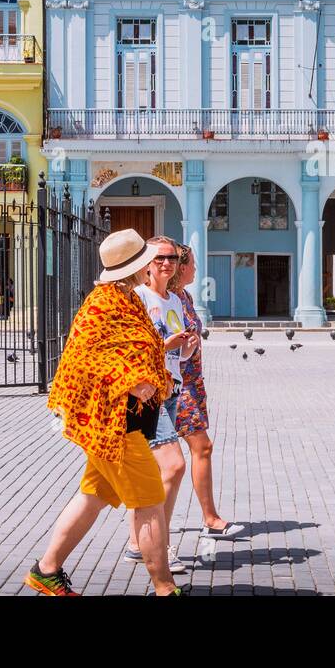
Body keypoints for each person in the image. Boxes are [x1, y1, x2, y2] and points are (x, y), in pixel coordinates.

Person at [25, 230, 179, 596]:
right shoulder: (104, 304)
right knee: (150, 501)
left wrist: (153, 366)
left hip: (124, 422)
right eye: (150, 260)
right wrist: (130, 381)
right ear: (138, 267)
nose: (157, 266)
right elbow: (87, 359)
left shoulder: (124, 299)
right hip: (113, 423)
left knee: (92, 495)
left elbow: (130, 347)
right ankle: (165, 588)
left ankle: (46, 571)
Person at [127, 236, 199, 577]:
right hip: (146, 394)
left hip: (171, 388)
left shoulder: (173, 300)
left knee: (151, 472)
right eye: (159, 259)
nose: (166, 263)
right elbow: (134, 349)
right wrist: (165, 344)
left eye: (171, 258)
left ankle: (136, 543)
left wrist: (187, 347)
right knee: (173, 467)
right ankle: (161, 545)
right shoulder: (138, 298)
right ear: (146, 264)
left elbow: (176, 356)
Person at [168, 241, 244, 541]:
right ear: (181, 267)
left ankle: (152, 526)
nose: (196, 270)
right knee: (200, 448)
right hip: (178, 384)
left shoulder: (183, 296)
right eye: (193, 265)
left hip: (191, 382)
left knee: (174, 456)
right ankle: (209, 518)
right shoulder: (170, 297)